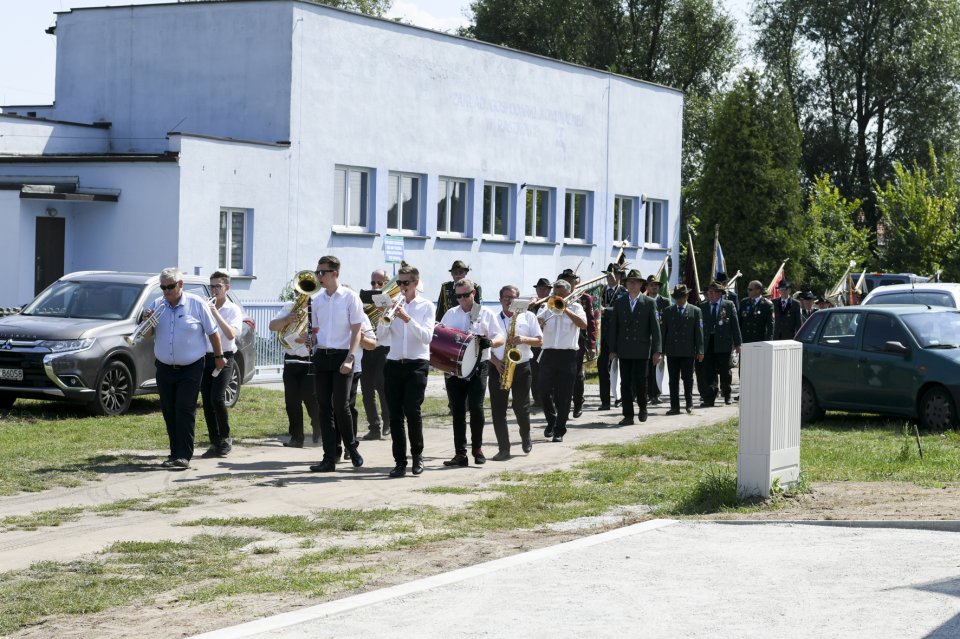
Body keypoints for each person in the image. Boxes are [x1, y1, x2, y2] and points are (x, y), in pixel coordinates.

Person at [148, 267, 224, 470]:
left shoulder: (196, 304)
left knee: (185, 409)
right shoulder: (158, 304)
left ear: (180, 284)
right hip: (164, 367)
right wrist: (148, 322)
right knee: (169, 410)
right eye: (163, 287)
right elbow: (147, 335)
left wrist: (218, 357)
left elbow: (213, 333)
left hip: (191, 367)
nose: (166, 291)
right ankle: (174, 453)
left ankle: (184, 455)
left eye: (170, 286)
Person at [307, 255, 365, 473]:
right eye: (317, 272)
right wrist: (310, 340)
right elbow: (317, 332)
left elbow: (357, 331)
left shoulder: (351, 297)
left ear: (335, 273)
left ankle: (352, 447)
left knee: (341, 405)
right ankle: (329, 457)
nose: (318, 276)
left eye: (322, 272)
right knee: (324, 407)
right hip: (322, 355)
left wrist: (350, 357)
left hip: (343, 355)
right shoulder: (317, 300)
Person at [376, 264, 435, 478]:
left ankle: (417, 456)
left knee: (412, 410)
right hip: (393, 364)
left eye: (406, 283)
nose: (401, 287)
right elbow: (381, 339)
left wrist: (406, 318)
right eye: (399, 282)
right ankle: (399, 461)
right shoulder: (394, 305)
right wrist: (385, 317)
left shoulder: (426, 306)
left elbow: (427, 337)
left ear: (416, 283)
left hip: (416, 364)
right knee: (395, 416)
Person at [440, 278, 504, 466]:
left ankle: (477, 448)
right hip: (454, 368)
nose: (462, 299)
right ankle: (460, 453)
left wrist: (490, 343)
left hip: (478, 366)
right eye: (458, 296)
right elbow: (440, 334)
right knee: (458, 410)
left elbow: (500, 336)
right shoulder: (450, 314)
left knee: (476, 408)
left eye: (466, 295)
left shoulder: (484, 313)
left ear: (473, 293)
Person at [488, 285, 543, 460]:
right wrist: (496, 363)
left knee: (521, 406)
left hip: (522, 366)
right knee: (498, 410)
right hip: (499, 367)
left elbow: (539, 341)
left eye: (512, 297)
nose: (508, 300)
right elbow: (484, 347)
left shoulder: (529, 316)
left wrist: (523, 339)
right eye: (505, 297)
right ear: (499, 299)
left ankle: (525, 436)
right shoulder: (493, 319)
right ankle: (504, 449)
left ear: (518, 299)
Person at [608, 269, 662, 425]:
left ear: (640, 285)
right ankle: (628, 415)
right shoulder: (619, 302)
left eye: (635, 282)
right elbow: (614, 328)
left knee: (640, 381)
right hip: (624, 349)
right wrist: (612, 350)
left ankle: (643, 407)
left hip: (642, 349)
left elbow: (655, 329)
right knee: (625, 383)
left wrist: (657, 351)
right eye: (629, 282)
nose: (632, 285)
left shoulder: (649, 303)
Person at [199, 271, 243, 459]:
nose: (214, 289)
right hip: (206, 357)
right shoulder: (204, 307)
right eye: (212, 286)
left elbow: (231, 334)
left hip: (225, 357)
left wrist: (215, 312)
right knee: (207, 401)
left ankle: (225, 437)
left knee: (217, 398)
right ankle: (214, 441)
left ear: (227, 288)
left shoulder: (232, 310)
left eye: (218, 286)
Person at [268, 288, 320, 448]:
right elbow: (272, 326)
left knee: (311, 399)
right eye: (299, 291)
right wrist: (286, 320)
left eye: (305, 291)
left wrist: (311, 338)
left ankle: (319, 429)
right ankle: (296, 437)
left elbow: (323, 332)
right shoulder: (289, 307)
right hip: (291, 360)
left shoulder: (318, 306)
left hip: (310, 360)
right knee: (292, 401)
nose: (301, 295)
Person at [537, 279, 588, 442]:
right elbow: (537, 322)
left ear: (568, 293)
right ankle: (552, 421)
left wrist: (565, 310)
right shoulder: (547, 306)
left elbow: (584, 325)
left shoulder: (576, 307)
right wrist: (540, 321)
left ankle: (559, 429)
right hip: (548, 353)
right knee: (543, 391)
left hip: (567, 355)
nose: (557, 296)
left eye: (560, 294)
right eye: (555, 294)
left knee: (565, 395)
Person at [558, 269, 598, 418]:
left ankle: (578, 401)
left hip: (579, 341)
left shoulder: (584, 298)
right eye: (567, 280)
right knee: (561, 375)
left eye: (572, 280)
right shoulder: (556, 297)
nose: (570, 283)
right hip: (560, 341)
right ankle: (563, 404)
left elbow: (591, 322)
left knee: (576, 373)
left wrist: (592, 344)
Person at [661, 285, 704, 415]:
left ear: (686, 296)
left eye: (681, 297)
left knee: (688, 379)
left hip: (688, 351)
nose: (679, 300)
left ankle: (689, 403)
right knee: (673, 380)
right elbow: (664, 332)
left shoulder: (695, 311)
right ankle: (675, 406)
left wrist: (700, 350)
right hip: (672, 351)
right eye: (677, 297)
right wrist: (661, 351)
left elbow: (699, 332)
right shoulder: (668, 311)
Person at [698, 281, 742, 407]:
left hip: (723, 343)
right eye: (708, 293)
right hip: (708, 343)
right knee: (709, 371)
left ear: (719, 294)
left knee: (724, 371)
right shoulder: (703, 306)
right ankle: (710, 398)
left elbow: (735, 325)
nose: (709, 295)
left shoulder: (728, 305)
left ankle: (727, 394)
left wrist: (738, 343)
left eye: (712, 292)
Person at [360, 268, 390, 441]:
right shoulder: (364, 301)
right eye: (373, 283)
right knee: (366, 390)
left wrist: (383, 310)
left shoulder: (391, 301)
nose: (376, 286)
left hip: (383, 348)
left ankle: (388, 420)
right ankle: (374, 427)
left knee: (382, 386)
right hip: (366, 348)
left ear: (386, 283)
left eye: (379, 283)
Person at [597, 264, 626, 410]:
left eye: (612, 275)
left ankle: (619, 397)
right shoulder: (600, 291)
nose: (609, 278)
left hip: (618, 336)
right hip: (602, 336)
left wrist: (605, 310)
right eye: (607, 275)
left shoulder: (623, 291)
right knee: (602, 369)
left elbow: (622, 309)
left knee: (619, 368)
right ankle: (605, 401)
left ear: (620, 276)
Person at [644, 274, 671, 405]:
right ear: (647, 287)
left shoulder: (665, 302)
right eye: (651, 285)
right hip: (644, 340)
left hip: (659, 339)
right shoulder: (643, 300)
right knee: (646, 368)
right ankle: (646, 393)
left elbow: (668, 323)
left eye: (656, 285)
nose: (654, 287)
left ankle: (656, 394)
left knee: (657, 367)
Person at [528, 277, 552, 408]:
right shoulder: (532, 304)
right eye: (539, 289)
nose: (541, 291)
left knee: (547, 371)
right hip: (534, 342)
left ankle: (549, 397)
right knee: (534, 371)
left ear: (549, 290)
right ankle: (537, 398)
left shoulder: (553, 302)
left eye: (544, 289)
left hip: (548, 342)